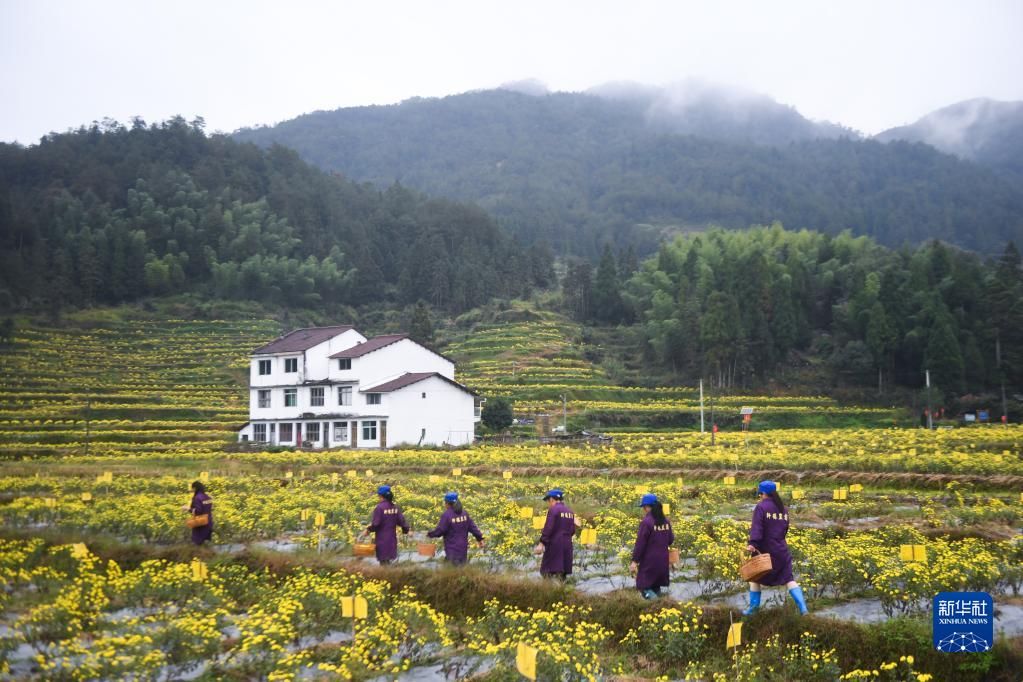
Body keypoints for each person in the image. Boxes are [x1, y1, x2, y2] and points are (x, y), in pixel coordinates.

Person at [742, 480, 808, 616]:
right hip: (782, 551)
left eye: (760, 493)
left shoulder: (761, 507)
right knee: (789, 579)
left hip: (766, 552)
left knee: (754, 578)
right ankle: (803, 609)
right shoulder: (783, 508)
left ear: (763, 493)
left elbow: (757, 528)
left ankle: (753, 610)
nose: (760, 496)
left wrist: (753, 544)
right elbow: (785, 529)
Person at [629, 493, 674, 599]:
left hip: (650, 561)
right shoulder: (665, 521)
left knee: (643, 586)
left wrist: (634, 561)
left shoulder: (647, 522)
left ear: (647, 507)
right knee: (655, 585)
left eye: (644, 507)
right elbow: (670, 540)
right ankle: (658, 610)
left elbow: (640, 544)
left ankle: (657, 604)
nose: (643, 510)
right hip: (663, 560)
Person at [426, 492, 484, 565]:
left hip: (452, 550)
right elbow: (473, 528)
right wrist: (480, 539)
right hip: (463, 549)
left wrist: (430, 534)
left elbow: (440, 531)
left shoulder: (447, 515)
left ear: (447, 503)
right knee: (459, 569)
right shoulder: (464, 513)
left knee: (451, 570)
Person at [534, 488, 576, 580]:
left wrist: (541, 543)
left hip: (555, 544)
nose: (548, 504)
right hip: (567, 545)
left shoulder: (554, 510)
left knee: (546, 571)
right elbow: (572, 530)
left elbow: (548, 527)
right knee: (562, 573)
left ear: (552, 499)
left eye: (548, 501)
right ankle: (562, 590)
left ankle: (548, 591)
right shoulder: (570, 512)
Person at [361, 484, 409, 564]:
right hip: (392, 539)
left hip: (382, 540)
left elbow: (376, 524)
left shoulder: (379, 508)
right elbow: (401, 521)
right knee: (388, 561)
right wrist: (406, 530)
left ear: (380, 496)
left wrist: (368, 530)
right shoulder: (394, 507)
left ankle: (385, 575)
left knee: (383, 561)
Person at [184, 480, 213, 546]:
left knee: (197, 544)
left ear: (195, 488)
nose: (192, 490)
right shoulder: (207, 497)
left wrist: (188, 509)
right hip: (209, 522)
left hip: (201, 524)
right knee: (206, 544)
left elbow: (198, 511)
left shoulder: (197, 498)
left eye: (192, 488)